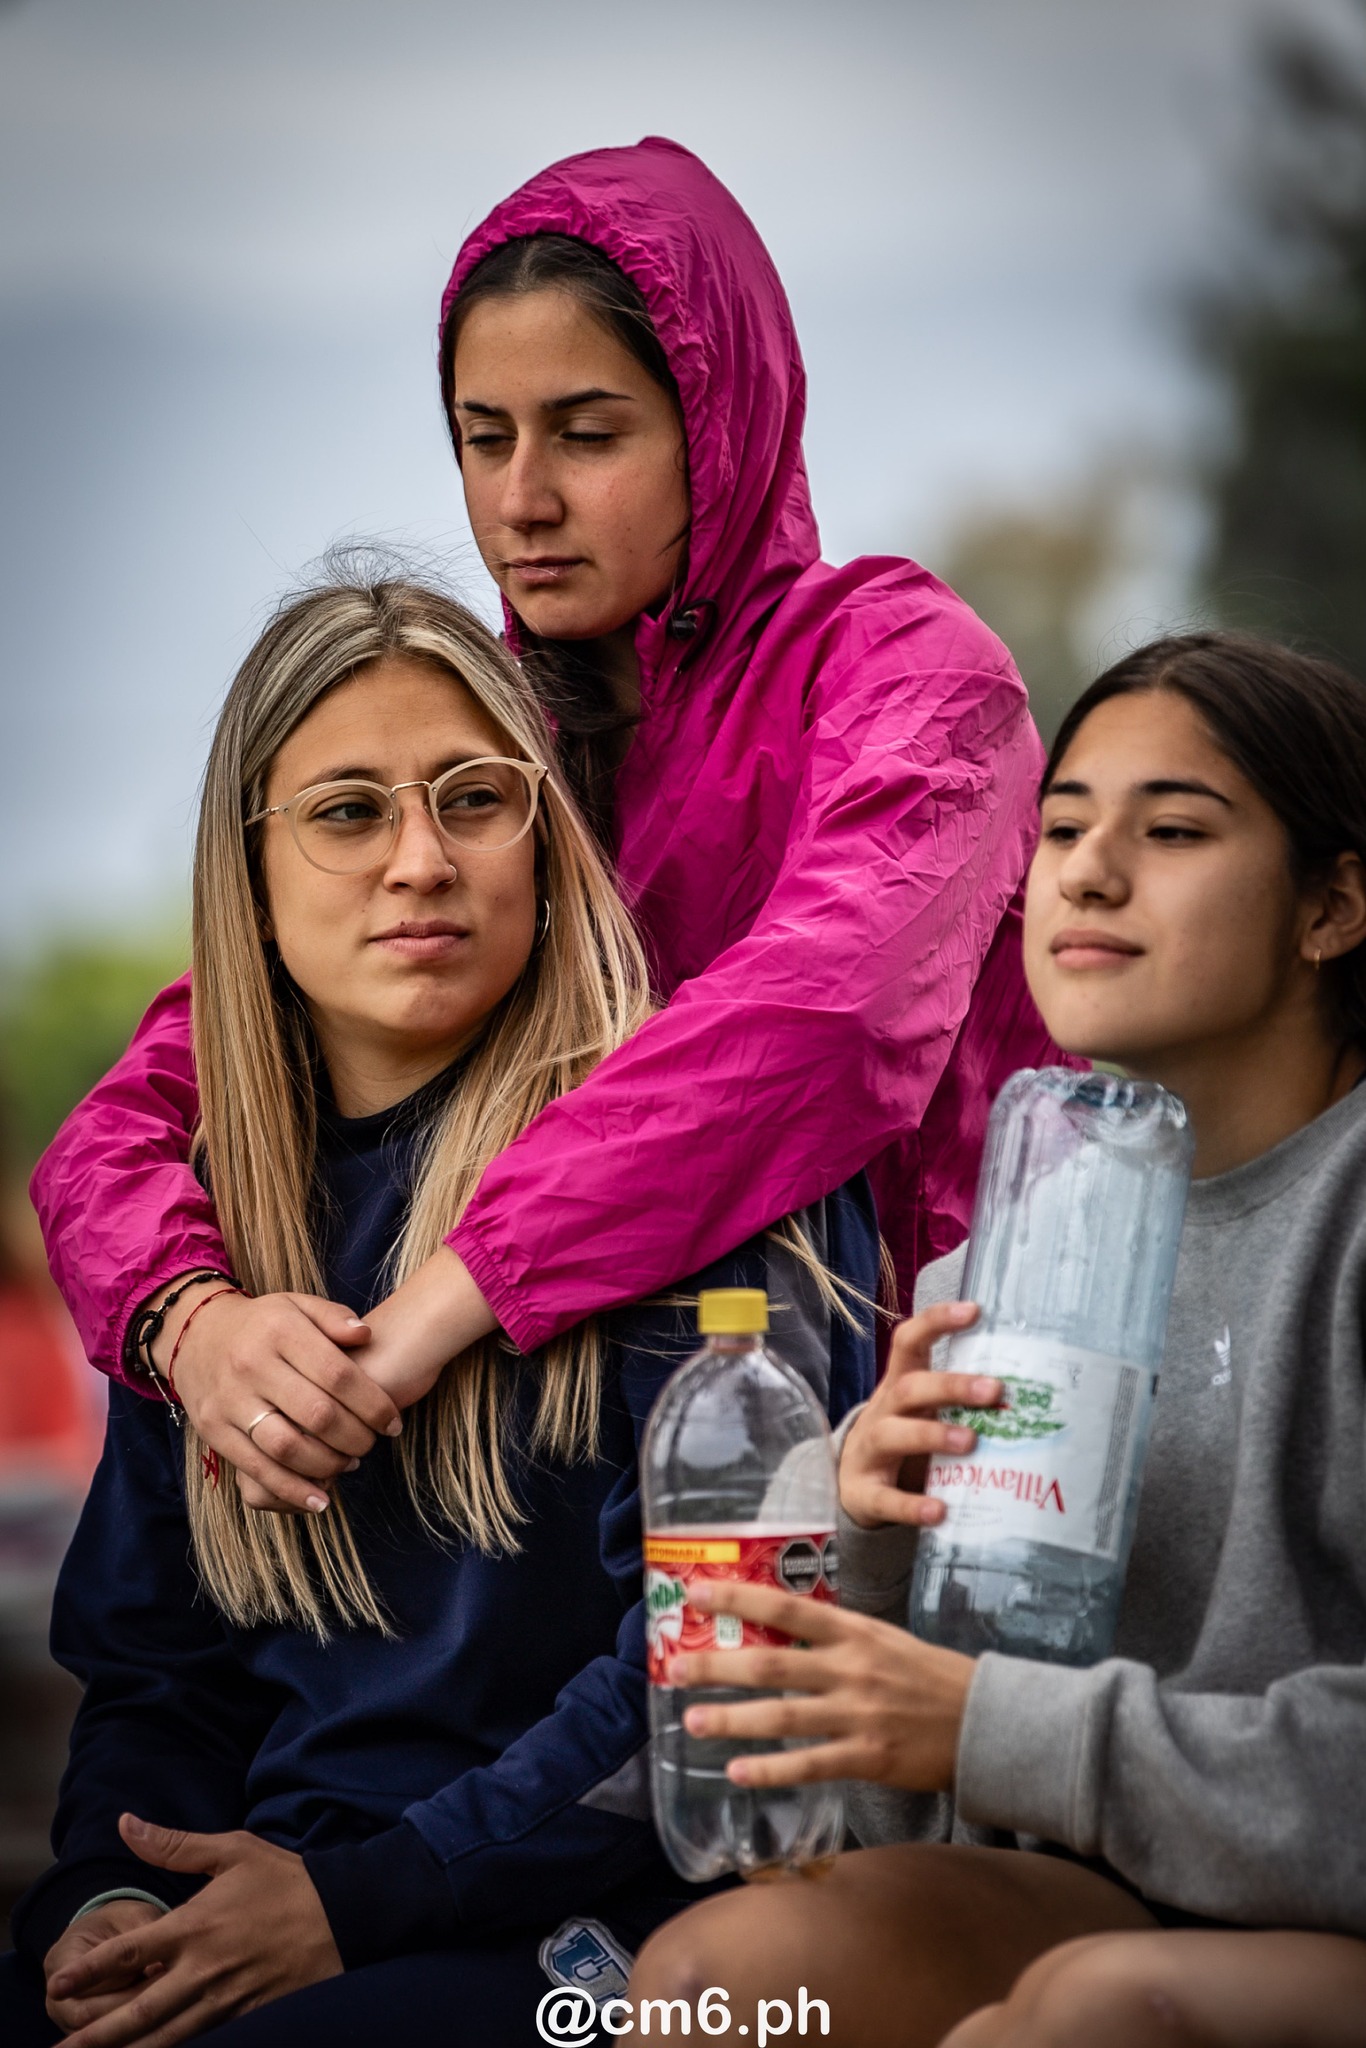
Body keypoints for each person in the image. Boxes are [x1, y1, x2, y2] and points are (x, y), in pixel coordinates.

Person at [31, 138, 1055, 1514]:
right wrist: (189, 1320)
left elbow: (826, 1018)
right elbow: (143, 1105)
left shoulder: (912, 674)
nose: (522, 501)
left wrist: (450, 1297)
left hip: (959, 1455)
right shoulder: (488, 751)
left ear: (715, 418)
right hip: (600, 1487)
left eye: (587, 432)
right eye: (482, 436)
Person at [0, 569, 879, 2047]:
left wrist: (361, 1900)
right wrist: (113, 1897)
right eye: (349, 813)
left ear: (544, 841)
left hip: (601, 1932)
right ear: (250, 873)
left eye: (474, 799)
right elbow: (155, 1677)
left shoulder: (696, 1164)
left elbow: (714, 1672)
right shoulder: (197, 1245)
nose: (421, 859)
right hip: (273, 1895)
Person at [625, 632, 1366, 2048]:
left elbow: (986, 1732)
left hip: (1305, 1916)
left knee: (1088, 2012)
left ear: (1331, 905)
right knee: (716, 1985)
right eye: (1063, 827)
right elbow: (793, 1779)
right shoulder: (1008, 1259)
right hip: (1101, 1888)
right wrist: (864, 1525)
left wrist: (994, 1727)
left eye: (1171, 831)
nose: (1083, 873)